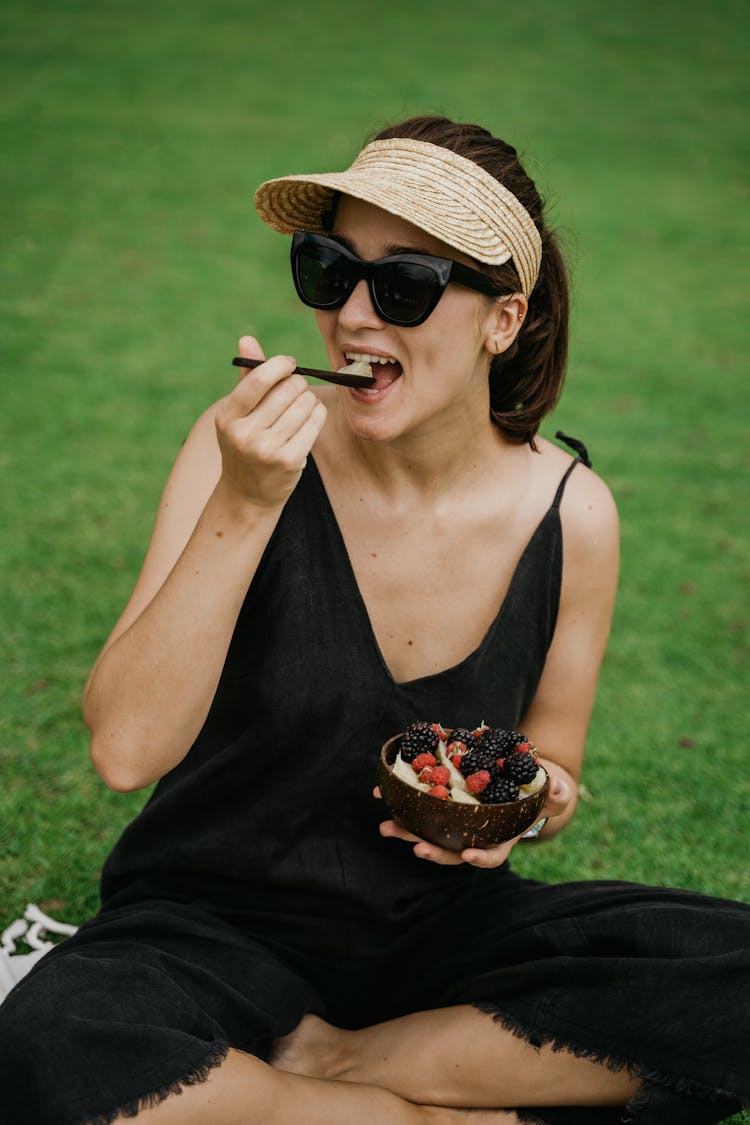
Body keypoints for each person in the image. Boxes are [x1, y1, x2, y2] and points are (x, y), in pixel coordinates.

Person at [0, 115, 747, 1125]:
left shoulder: (573, 512)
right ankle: (418, 1113)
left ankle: (338, 1063)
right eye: (328, 270)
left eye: (403, 286)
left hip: (440, 933)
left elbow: (554, 766)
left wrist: (517, 810)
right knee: (49, 1043)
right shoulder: (245, 459)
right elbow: (127, 750)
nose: (353, 315)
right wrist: (248, 503)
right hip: (214, 919)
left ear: (501, 319)